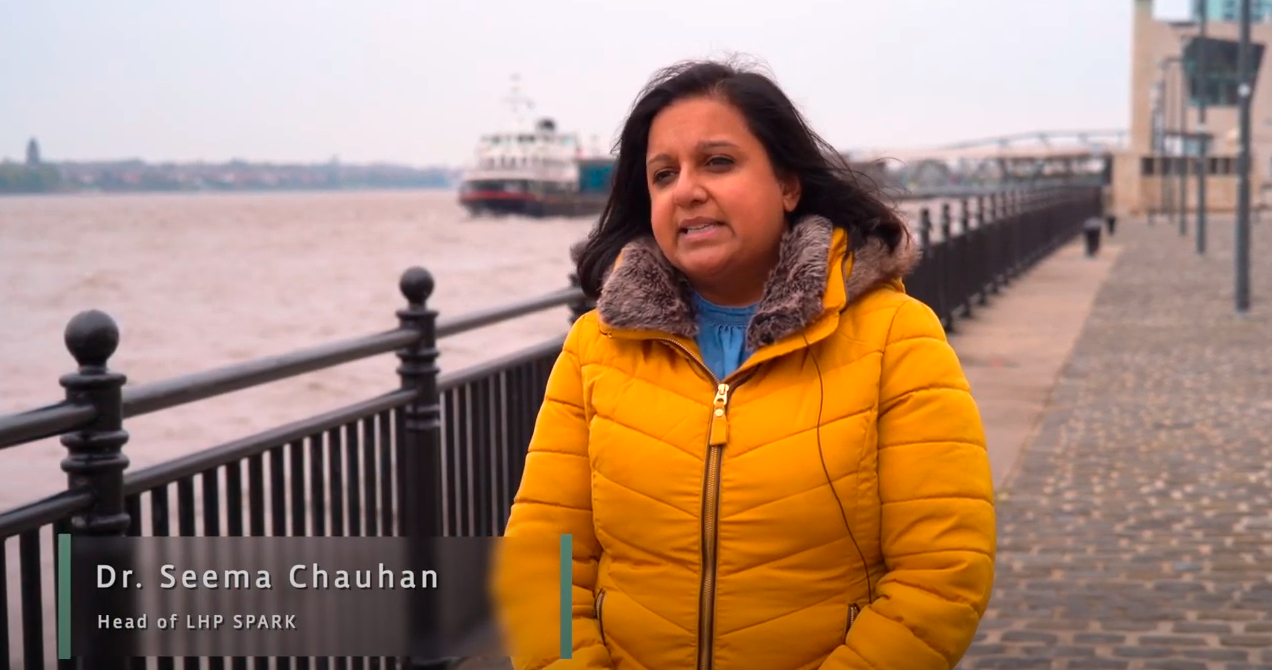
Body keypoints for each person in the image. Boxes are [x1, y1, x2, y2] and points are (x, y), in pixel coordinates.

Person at [492, 58, 996, 670]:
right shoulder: (595, 348)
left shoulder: (895, 337)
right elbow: (545, 559)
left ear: (787, 184)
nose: (687, 189)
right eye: (663, 174)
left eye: (719, 162)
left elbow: (943, 575)